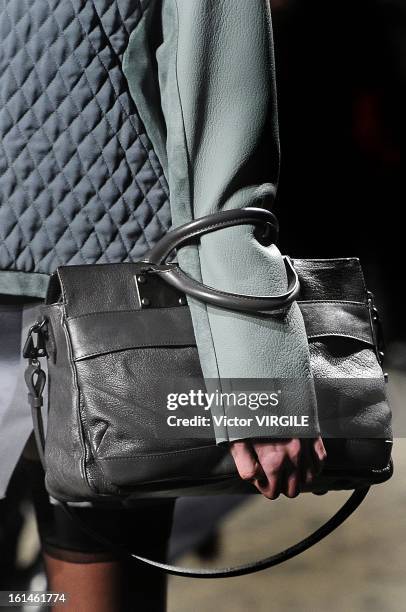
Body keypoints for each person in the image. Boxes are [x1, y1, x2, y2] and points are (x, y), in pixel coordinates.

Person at [0, 1, 326, 610]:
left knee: (97, 584)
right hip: (109, 303)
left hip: (110, 317)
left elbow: (224, 143)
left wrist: (258, 381)